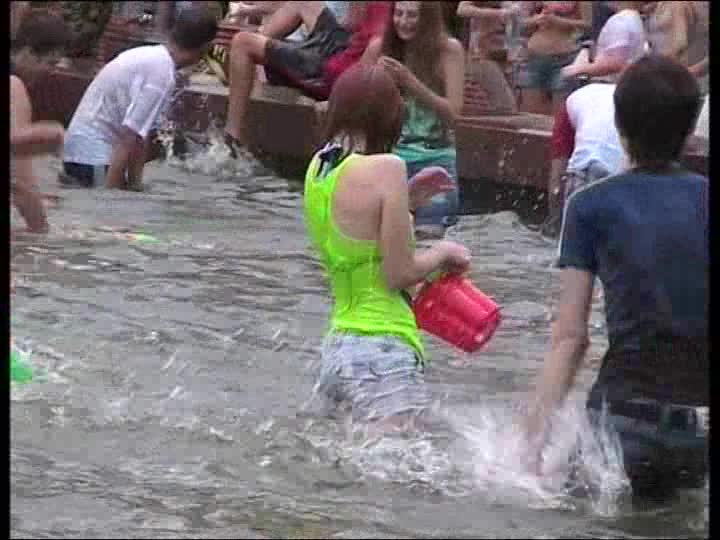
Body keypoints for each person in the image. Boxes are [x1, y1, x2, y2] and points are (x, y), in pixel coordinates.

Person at [525, 56, 708, 499]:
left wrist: (530, 443)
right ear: (690, 130)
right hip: (696, 426)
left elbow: (571, 339)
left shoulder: (589, 206)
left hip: (620, 420)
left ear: (619, 127)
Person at [304, 64, 471, 431]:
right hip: (384, 349)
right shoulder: (388, 167)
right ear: (392, 116)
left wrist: (405, 202)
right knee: (402, 462)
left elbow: (356, 235)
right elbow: (398, 273)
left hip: (339, 348)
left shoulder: (320, 167)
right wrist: (445, 252)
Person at [61, 8, 218, 191]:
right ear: (207, 48)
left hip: (77, 154)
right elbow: (128, 135)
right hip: (91, 159)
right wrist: (111, 195)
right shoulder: (161, 74)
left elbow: (139, 138)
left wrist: (136, 186)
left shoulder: (151, 57)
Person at [223, 1, 390, 155]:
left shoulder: (378, 42)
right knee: (303, 2)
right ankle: (255, 54)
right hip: (346, 48)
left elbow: (361, 75)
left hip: (334, 71)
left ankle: (232, 138)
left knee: (242, 42)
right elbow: (351, 23)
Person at [541, 1, 647, 237]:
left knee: (575, 245)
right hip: (624, 176)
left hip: (585, 172)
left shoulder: (578, 98)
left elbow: (557, 174)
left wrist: (576, 69)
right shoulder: (635, 100)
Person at [362, 1, 465, 238]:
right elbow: (356, 98)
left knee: (428, 238)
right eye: (398, 14)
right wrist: (376, 80)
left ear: (427, 17)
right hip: (389, 161)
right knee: (380, 238)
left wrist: (410, 83)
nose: (403, 22)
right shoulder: (379, 48)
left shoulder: (449, 50)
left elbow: (454, 115)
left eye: (412, 15)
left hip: (435, 161)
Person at [11, 12, 70, 233]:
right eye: (50, 63)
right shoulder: (13, 86)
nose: (51, 72)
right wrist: (41, 232)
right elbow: (20, 182)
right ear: (28, 52)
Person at [518, 1, 590, 115]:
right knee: (530, 113)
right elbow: (518, 22)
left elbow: (588, 24)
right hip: (533, 59)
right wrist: (536, 20)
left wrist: (559, 21)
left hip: (563, 59)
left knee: (559, 112)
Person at [644, 1, 709, 96]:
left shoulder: (678, 5)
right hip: (675, 73)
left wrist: (658, 66)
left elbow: (679, 43)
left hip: (680, 75)